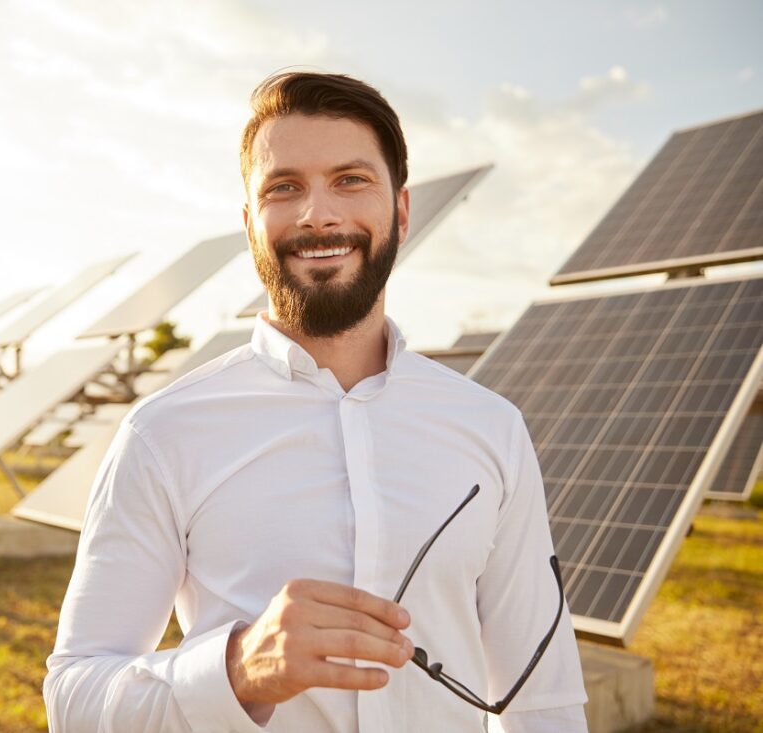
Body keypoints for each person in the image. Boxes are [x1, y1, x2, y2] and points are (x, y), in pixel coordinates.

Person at [44, 71, 588, 732]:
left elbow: (543, 696)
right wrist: (238, 669)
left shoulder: (492, 429)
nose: (318, 214)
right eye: (284, 187)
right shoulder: (164, 433)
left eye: (351, 179)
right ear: (251, 224)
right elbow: (74, 696)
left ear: (403, 210)